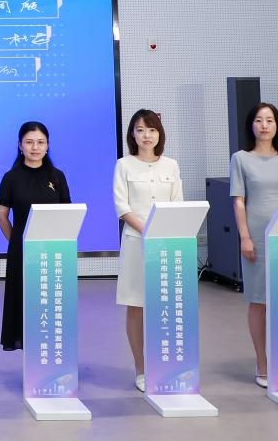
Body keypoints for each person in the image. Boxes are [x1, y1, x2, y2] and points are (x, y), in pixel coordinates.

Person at [229, 101, 278, 388]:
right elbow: (239, 202)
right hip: (257, 238)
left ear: (277, 125)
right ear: (251, 125)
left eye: (270, 120)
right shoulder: (241, 159)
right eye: (259, 120)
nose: (264, 125)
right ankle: (262, 362)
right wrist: (245, 237)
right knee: (259, 300)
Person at [112, 109, 183, 391]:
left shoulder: (171, 166)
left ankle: (165, 364)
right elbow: (122, 207)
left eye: (151, 129)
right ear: (132, 134)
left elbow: (177, 204)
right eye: (140, 130)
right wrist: (148, 229)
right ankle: (141, 368)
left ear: (159, 133)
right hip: (136, 242)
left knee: (165, 304)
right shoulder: (124, 165)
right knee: (136, 304)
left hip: (166, 245)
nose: (146, 135)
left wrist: (163, 232)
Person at [0, 120, 71, 352]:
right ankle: (31, 356)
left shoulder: (57, 177)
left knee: (51, 302)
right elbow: (2, 216)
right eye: (29, 142)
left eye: (40, 142)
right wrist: (17, 243)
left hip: (53, 251)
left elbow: (67, 213)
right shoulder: (11, 178)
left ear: (48, 145)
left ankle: (52, 352)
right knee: (23, 301)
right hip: (22, 252)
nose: (35, 147)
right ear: (20, 145)